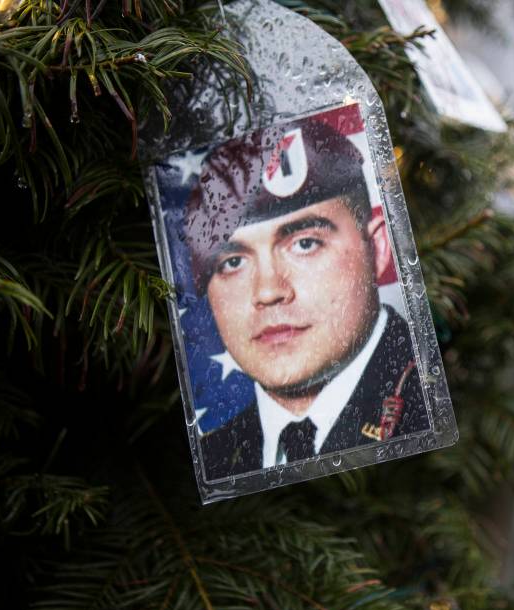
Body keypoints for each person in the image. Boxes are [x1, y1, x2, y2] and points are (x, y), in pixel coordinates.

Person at [180, 117, 430, 480]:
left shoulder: (425, 406)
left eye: (305, 244)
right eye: (233, 262)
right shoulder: (214, 457)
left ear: (376, 248)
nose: (268, 291)